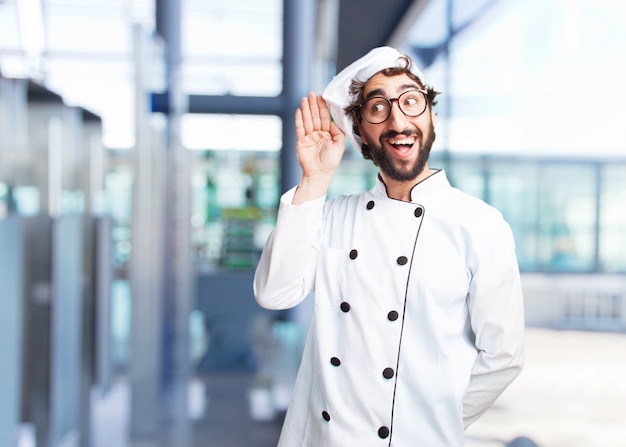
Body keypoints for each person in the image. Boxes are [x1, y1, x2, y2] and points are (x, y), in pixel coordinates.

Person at [253, 46, 525, 446]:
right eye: (378, 108)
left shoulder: (481, 226)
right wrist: (314, 180)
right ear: (361, 132)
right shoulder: (331, 215)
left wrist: (431, 424)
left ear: (431, 117)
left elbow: (503, 356)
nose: (399, 120)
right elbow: (274, 293)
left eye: (411, 102)